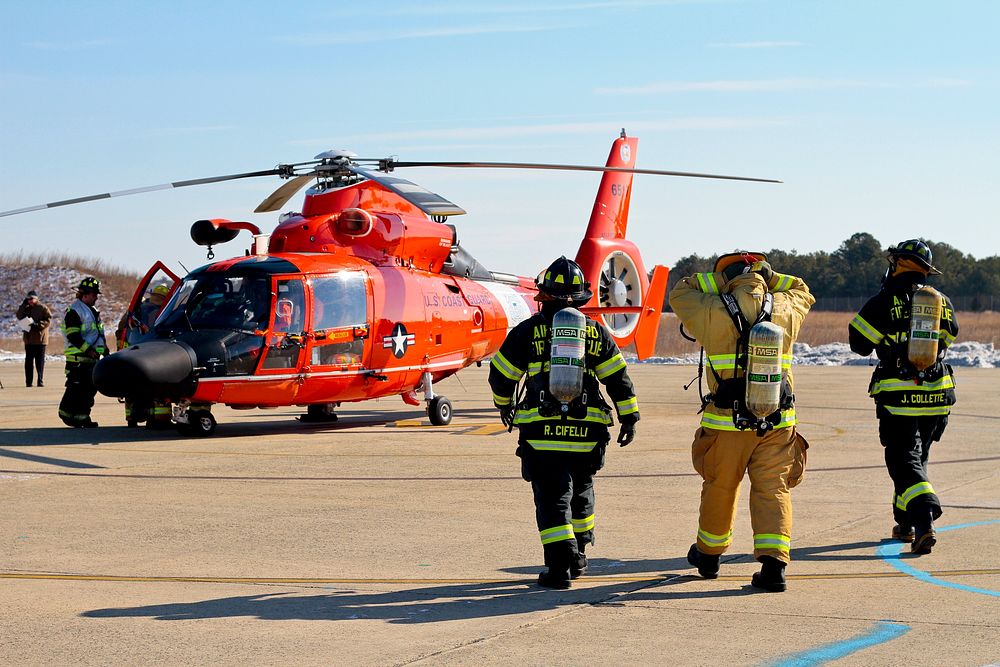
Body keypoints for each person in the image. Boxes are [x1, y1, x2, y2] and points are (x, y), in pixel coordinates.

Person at [488, 256, 640, 589]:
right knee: (581, 493)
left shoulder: (527, 332)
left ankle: (559, 568)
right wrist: (629, 417)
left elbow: (500, 375)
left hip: (542, 436)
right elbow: (618, 378)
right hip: (587, 433)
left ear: (543, 296)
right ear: (583, 297)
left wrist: (505, 406)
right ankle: (580, 557)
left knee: (552, 499)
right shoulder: (595, 333)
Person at [669, 252, 813, 592]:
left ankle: (709, 556)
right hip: (778, 422)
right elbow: (802, 287)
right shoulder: (785, 307)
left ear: (725, 277)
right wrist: (766, 276)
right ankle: (775, 566)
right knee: (773, 488)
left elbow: (680, 290)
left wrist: (721, 281)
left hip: (727, 423)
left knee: (720, 486)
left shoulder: (710, 308)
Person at [849, 240, 958, 555]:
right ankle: (906, 523)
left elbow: (858, 343)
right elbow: (951, 335)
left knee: (902, 459)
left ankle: (924, 519)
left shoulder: (883, 301)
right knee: (916, 458)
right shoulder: (942, 302)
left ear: (898, 264)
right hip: (937, 395)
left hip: (899, 397)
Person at [59, 277, 108, 428]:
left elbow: (98, 334)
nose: (96, 297)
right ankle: (69, 415)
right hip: (78, 360)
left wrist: (105, 351)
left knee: (88, 391)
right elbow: (73, 336)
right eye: (94, 295)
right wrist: (89, 350)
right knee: (79, 390)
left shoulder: (92, 311)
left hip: (91, 360)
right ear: (85, 294)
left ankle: (81, 417)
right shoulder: (75, 311)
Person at [16, 290, 51, 387]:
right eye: (28, 299)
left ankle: (40, 380)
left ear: (36, 299)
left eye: (31, 299)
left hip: (40, 339)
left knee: (39, 362)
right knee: (28, 362)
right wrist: (23, 305)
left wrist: (38, 325)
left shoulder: (43, 308)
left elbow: (48, 319)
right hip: (29, 340)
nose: (30, 301)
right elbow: (19, 316)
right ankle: (28, 382)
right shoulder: (26, 308)